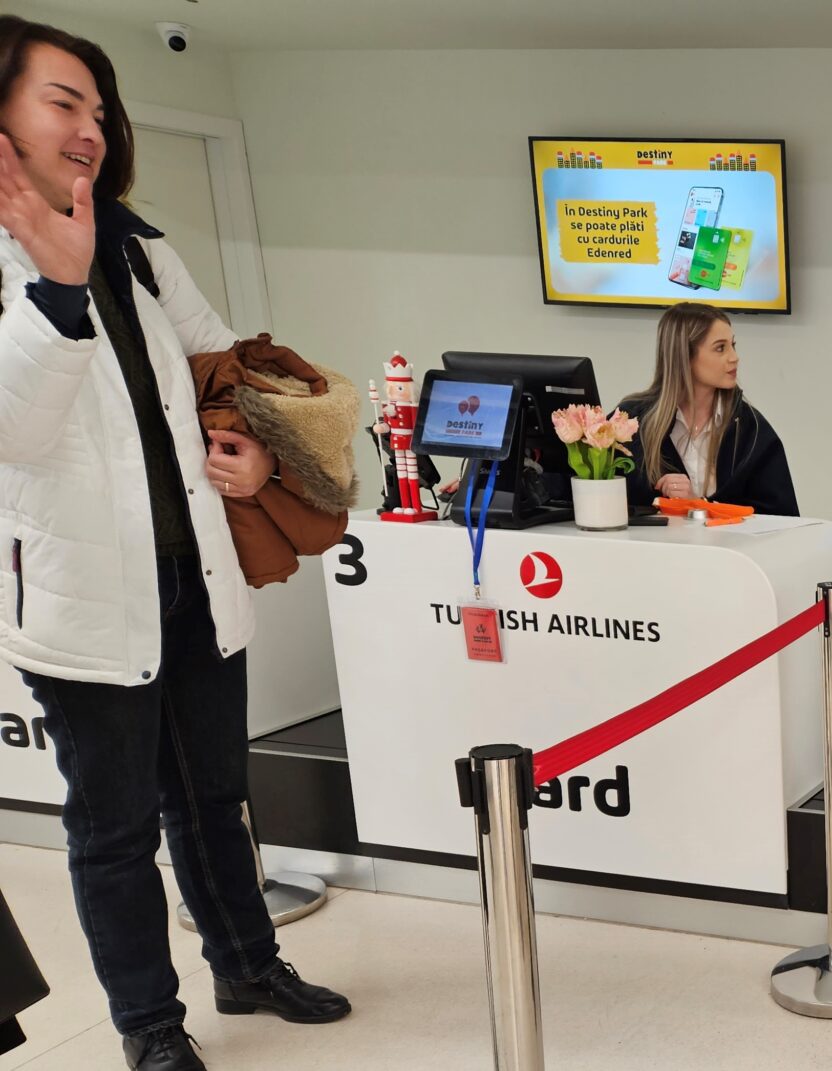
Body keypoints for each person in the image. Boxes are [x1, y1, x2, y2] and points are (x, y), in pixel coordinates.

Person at [0, 16, 350, 1071]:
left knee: (213, 798)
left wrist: (252, 446)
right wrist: (56, 288)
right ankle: (149, 1025)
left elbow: (221, 369)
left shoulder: (137, 243)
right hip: (80, 598)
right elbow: (13, 429)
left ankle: (248, 965)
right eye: (65, 102)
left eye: (101, 111)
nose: (92, 128)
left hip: (191, 575)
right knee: (113, 831)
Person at [619, 301, 799, 515]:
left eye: (733, 345)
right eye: (720, 348)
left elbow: (782, 517)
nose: (734, 357)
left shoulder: (750, 428)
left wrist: (697, 505)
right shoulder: (631, 423)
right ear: (685, 356)